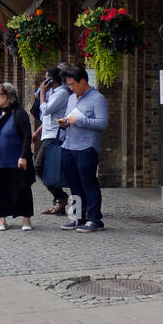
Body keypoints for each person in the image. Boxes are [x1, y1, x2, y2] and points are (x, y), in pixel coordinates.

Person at [57, 65, 109, 232]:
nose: (71, 88)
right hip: (69, 145)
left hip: (86, 147)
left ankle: (95, 219)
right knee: (74, 184)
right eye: (69, 85)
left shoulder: (98, 99)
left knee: (88, 183)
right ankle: (78, 217)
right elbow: (69, 118)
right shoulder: (72, 98)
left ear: (83, 81)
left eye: (73, 84)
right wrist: (64, 124)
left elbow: (102, 123)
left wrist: (78, 121)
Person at [0, 83, 35, 232]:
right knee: (0, 191)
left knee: (22, 190)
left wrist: (23, 157)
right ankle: (1, 220)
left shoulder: (19, 114)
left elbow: (26, 137)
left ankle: (26, 219)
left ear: (5, 97)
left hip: (17, 160)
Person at [33, 66, 70, 215]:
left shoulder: (61, 93)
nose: (44, 80)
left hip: (55, 136)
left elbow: (46, 110)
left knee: (38, 166)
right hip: (47, 134)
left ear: (51, 79)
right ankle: (59, 201)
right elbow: (47, 117)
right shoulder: (52, 93)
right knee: (47, 169)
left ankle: (61, 197)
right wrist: (37, 132)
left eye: (46, 77)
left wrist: (42, 92)